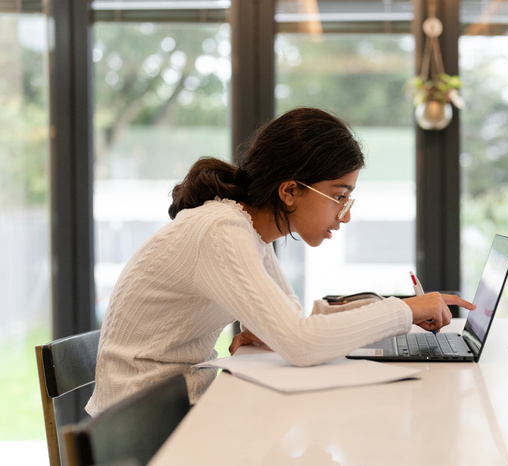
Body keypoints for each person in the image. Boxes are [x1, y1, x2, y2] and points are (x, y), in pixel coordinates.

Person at [85, 107, 474, 416]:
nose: (346, 213)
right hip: (141, 425)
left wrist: (398, 311)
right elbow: (301, 343)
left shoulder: (248, 231)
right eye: (340, 196)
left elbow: (296, 325)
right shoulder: (222, 229)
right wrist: (401, 310)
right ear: (290, 190)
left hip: (173, 404)